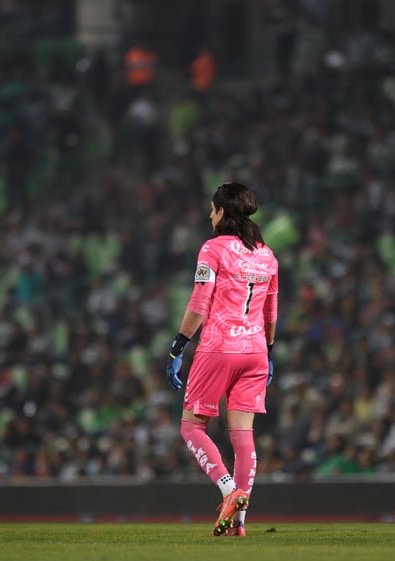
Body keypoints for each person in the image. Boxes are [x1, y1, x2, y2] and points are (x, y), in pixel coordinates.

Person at [166, 182, 279, 537]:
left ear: (222, 212)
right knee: (243, 435)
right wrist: (269, 352)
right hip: (256, 352)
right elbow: (271, 311)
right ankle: (239, 524)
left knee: (191, 427)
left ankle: (230, 491)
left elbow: (200, 302)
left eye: (212, 210)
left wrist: (178, 345)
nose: (209, 215)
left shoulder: (212, 249)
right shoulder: (267, 255)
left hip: (219, 348)